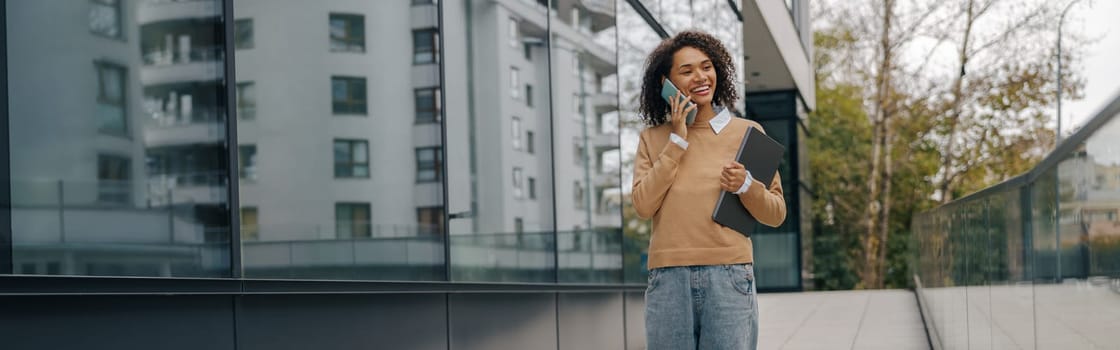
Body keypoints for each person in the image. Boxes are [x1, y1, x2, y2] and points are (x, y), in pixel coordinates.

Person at [632, 30, 787, 350]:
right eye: (686, 71)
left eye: (706, 67)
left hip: (730, 276)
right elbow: (643, 205)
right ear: (666, 82)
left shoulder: (748, 133)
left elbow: (776, 214)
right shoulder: (653, 138)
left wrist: (746, 185)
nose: (700, 77)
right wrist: (677, 139)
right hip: (668, 279)